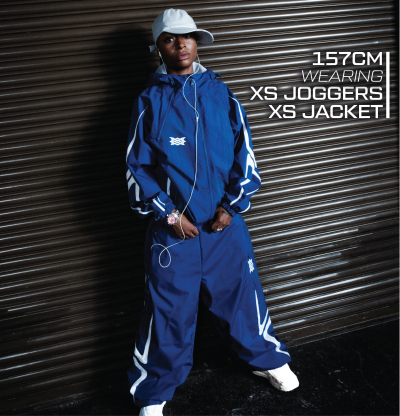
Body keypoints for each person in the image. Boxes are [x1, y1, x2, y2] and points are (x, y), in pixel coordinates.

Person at [125, 9, 299, 416]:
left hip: (224, 227)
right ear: (158, 48)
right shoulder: (149, 101)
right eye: (170, 39)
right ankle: (154, 391)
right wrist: (169, 215)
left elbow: (246, 157)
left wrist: (231, 207)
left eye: (187, 37)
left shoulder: (222, 94)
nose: (181, 44)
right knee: (167, 312)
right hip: (174, 233)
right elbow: (136, 168)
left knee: (242, 299)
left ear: (197, 42)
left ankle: (267, 360)